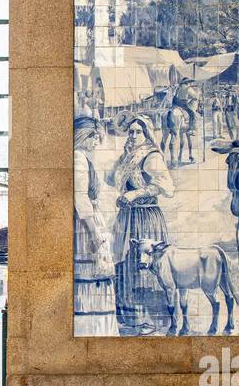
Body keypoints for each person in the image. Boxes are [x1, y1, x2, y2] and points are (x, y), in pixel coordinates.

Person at [105, 113, 175, 335]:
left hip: (146, 217)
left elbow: (164, 186)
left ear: (146, 134)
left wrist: (135, 194)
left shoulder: (151, 156)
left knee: (144, 265)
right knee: (125, 263)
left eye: (138, 131)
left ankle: (151, 320)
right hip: (127, 218)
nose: (133, 135)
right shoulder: (129, 155)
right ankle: (130, 317)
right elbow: (110, 179)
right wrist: (122, 158)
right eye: (131, 132)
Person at [74, 117, 117, 335]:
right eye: (94, 137)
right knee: (92, 273)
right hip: (85, 226)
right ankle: (93, 328)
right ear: (86, 136)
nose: (96, 143)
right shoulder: (79, 158)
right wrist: (94, 233)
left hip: (89, 222)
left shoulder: (83, 158)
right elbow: (80, 197)